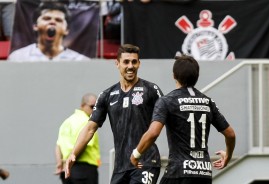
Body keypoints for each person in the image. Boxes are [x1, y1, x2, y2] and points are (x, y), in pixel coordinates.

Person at [65, 44, 163, 184]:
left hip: (146, 162)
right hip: (120, 167)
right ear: (117, 64)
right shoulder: (107, 95)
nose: (130, 66)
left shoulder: (151, 90)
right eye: (126, 62)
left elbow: (169, 119)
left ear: (139, 63)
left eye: (134, 62)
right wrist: (73, 153)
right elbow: (90, 128)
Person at [130, 55, 236, 184]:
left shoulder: (167, 101)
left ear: (174, 75)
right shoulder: (208, 102)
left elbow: (153, 133)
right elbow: (230, 134)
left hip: (178, 172)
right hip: (204, 174)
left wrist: (136, 154)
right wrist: (228, 156)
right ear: (197, 76)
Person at [8, 2, 90, 62]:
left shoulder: (81, 60)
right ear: (35, 26)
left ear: (66, 30)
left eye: (58, 20)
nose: (52, 22)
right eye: (47, 18)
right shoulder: (18, 57)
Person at [55, 93, 101, 184]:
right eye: (92, 107)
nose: (95, 110)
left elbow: (58, 145)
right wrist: (70, 162)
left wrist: (61, 163)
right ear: (83, 106)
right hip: (84, 170)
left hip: (67, 170)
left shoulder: (67, 121)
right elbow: (83, 144)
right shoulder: (87, 123)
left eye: (97, 107)